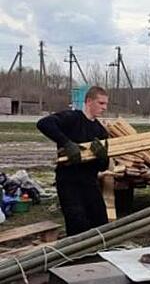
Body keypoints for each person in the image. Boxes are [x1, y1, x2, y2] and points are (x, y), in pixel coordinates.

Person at [37, 86, 110, 236]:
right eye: (101, 103)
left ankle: (98, 256)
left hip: (90, 182)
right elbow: (43, 123)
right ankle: (77, 258)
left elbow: (103, 167)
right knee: (77, 224)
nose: (105, 107)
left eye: (106, 104)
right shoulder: (72, 118)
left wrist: (103, 157)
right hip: (68, 181)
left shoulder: (100, 131)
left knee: (100, 222)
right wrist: (66, 143)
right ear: (89, 101)